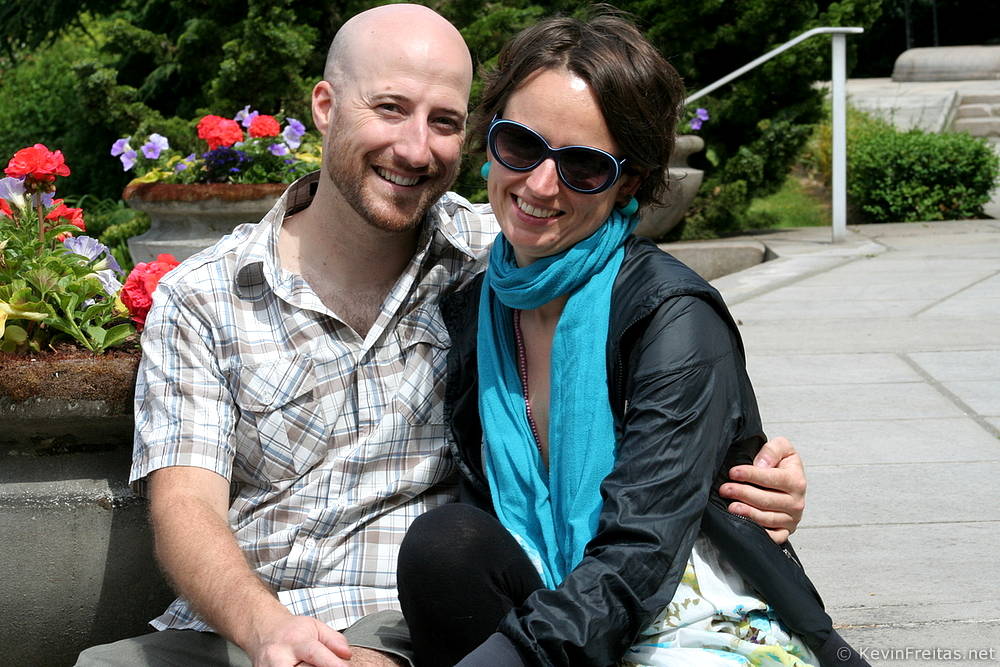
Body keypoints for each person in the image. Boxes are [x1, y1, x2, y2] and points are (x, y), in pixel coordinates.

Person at [77, 5, 810, 667]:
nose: (414, 148)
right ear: (325, 107)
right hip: (246, 621)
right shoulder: (205, 294)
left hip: (405, 621)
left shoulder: (496, 257)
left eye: (444, 121)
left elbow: (664, 376)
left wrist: (748, 478)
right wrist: (266, 627)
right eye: (390, 108)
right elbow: (186, 506)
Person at [395, 10, 867, 667]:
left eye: (583, 166)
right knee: (444, 545)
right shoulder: (479, 309)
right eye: (521, 146)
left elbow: (640, 551)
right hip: (560, 605)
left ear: (629, 182)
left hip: (693, 620)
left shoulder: (673, 317)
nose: (540, 184)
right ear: (490, 141)